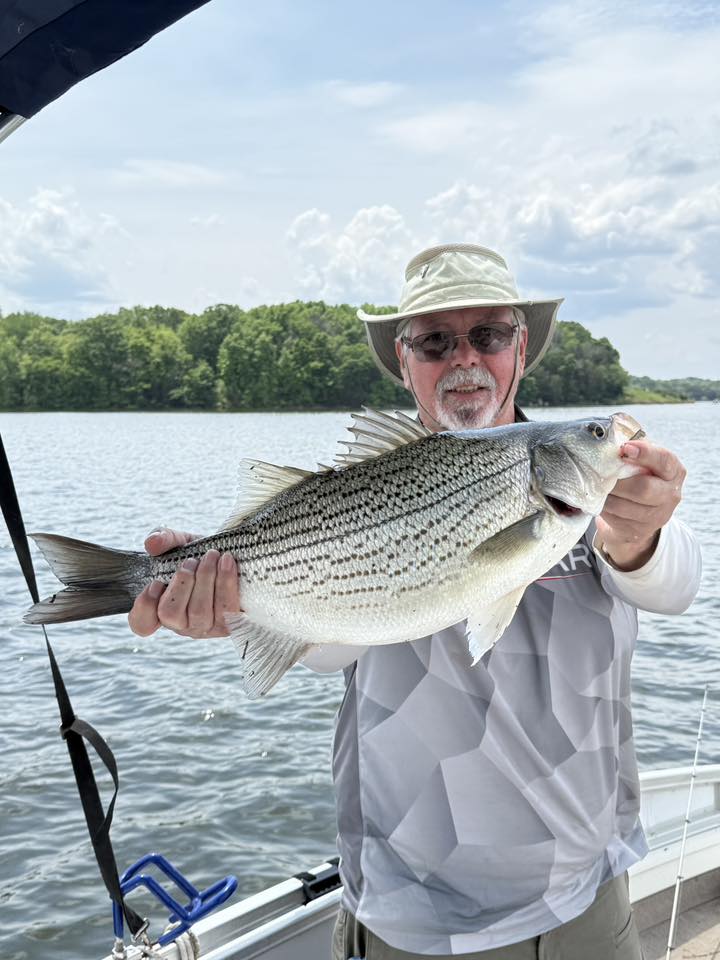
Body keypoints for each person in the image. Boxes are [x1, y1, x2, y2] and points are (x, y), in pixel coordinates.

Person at [128, 244, 701, 959]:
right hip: (412, 915)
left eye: (488, 334)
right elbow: (332, 646)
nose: (464, 358)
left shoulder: (594, 485)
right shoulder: (358, 483)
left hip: (583, 893)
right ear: (404, 361)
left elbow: (675, 583)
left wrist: (638, 535)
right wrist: (235, 600)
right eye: (434, 341)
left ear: (520, 347)